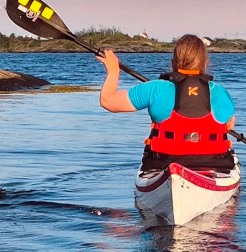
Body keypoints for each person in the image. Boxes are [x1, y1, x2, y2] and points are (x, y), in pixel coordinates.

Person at [98, 34, 237, 172]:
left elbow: (107, 101)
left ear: (173, 63)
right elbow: (229, 123)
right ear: (205, 63)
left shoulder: (155, 88)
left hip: (162, 162)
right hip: (215, 162)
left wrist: (113, 71)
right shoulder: (220, 92)